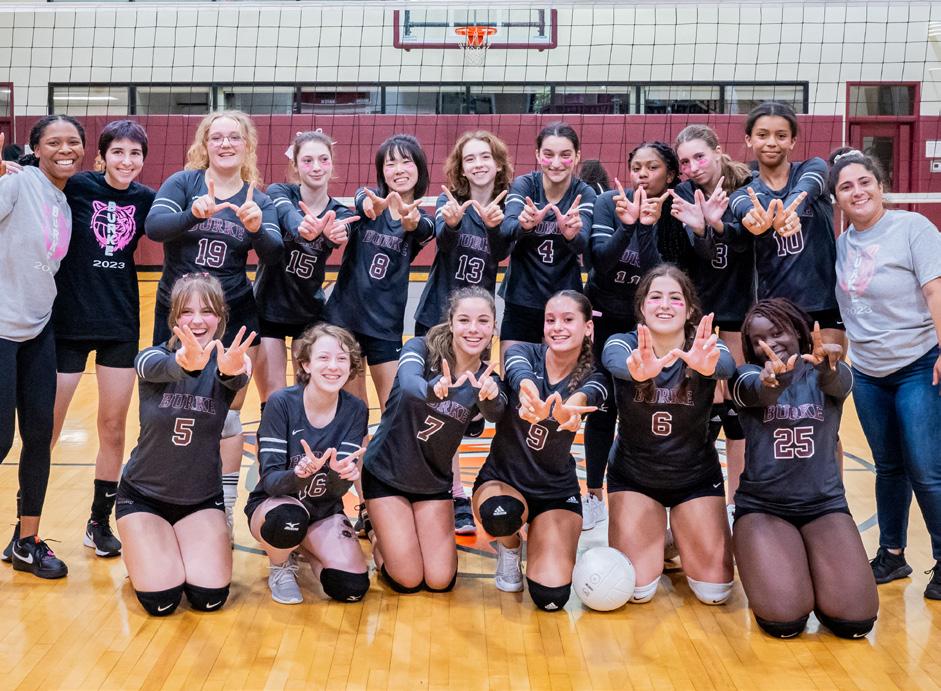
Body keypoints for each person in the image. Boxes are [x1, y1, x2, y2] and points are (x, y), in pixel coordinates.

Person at [146, 110, 282, 537]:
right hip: (179, 316)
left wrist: (257, 229)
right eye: (217, 137)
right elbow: (154, 227)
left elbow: (275, 253)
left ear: (247, 145)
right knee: (171, 407)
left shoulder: (256, 198)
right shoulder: (183, 183)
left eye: (234, 137)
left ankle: (220, 504)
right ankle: (167, 494)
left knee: (225, 416)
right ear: (204, 144)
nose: (225, 144)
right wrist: (191, 214)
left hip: (233, 314)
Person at [829, 147, 941, 600]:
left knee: (926, 468)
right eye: (846, 187)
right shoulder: (841, 245)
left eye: (864, 182)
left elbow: (935, 291)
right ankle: (892, 554)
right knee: (888, 466)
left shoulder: (912, 228)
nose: (857, 192)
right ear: (837, 198)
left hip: (919, 364)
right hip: (869, 373)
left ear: (880, 186)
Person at [730, 297, 879, 638]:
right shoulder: (747, 375)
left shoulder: (829, 372)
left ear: (798, 331)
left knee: (856, 621)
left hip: (824, 506)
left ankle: (817, 574)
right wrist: (774, 381)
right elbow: (756, 392)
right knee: (785, 620)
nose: (769, 343)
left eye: (777, 332)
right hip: (764, 509)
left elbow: (839, 383)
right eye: (758, 339)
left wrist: (828, 369)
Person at [116, 274, 253, 616]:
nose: (197, 320)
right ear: (174, 318)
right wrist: (184, 364)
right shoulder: (151, 358)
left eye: (207, 311)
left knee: (209, 598)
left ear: (220, 317)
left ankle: (166, 546)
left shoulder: (232, 361)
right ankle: (140, 546)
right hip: (144, 496)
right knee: (161, 602)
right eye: (187, 312)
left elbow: (234, 377)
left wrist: (231, 371)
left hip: (201, 500)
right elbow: (156, 368)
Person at [49, 120, 155, 558]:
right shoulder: (77, 187)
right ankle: (25, 523)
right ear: (103, 156)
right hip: (68, 323)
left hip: (119, 324)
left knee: (112, 427)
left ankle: (98, 522)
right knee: (47, 427)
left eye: (135, 154)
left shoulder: (147, 199)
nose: (126, 161)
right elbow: (35, 175)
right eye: (118, 152)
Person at [602, 264, 735, 605]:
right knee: (637, 590)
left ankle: (678, 532)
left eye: (675, 298)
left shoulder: (704, 347)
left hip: (695, 479)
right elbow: (614, 361)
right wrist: (639, 371)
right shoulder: (623, 343)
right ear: (641, 307)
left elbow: (726, 365)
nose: (664, 305)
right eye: (655, 297)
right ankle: (660, 535)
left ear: (689, 310)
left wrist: (707, 366)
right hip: (635, 478)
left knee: (715, 593)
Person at [363, 287, 504, 593]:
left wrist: (489, 397)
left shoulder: (487, 378)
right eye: (464, 320)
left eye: (483, 321)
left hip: (433, 483)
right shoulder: (420, 348)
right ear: (451, 322)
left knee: (440, 580)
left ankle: (400, 532)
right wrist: (433, 390)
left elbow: (496, 413)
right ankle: (375, 532)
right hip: (387, 475)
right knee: (408, 579)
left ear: (494, 328)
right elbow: (409, 384)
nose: (473, 329)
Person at [473, 291, 607, 611]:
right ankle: (510, 547)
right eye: (550, 320)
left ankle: (542, 534)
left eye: (568, 319)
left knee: (551, 597)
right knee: (501, 515)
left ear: (588, 327)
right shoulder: (524, 352)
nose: (557, 327)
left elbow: (589, 395)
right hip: (504, 480)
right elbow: (518, 373)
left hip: (555, 490)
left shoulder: (596, 375)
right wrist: (529, 394)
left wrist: (568, 410)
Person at [413, 130, 513, 535]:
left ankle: (465, 486)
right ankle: (453, 495)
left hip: (476, 327)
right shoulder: (449, 203)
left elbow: (503, 250)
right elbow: (443, 240)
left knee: (467, 411)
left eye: (484, 156)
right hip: (438, 320)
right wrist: (453, 225)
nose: (477, 164)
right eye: (469, 158)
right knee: (443, 408)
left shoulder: (508, 207)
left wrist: (495, 228)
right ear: (461, 168)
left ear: (498, 163)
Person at [0, 117, 84, 578]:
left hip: (37, 330)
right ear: (35, 148)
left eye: (73, 142)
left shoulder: (63, 201)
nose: (65, 149)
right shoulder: (17, 183)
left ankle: (26, 543)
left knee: (39, 438)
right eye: (54, 142)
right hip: (0, 328)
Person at [581, 142, 676, 529]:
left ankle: (650, 494)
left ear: (669, 175)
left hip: (650, 323)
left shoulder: (675, 209)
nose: (642, 174)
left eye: (652, 167)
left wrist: (648, 228)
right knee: (602, 407)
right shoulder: (609, 202)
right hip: (604, 316)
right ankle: (593, 495)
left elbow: (659, 277)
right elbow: (600, 262)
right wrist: (629, 225)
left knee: (647, 407)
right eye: (637, 166)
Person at [245, 324, 369, 605]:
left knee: (350, 586)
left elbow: (336, 490)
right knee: (287, 520)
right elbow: (271, 482)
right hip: (274, 505)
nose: (333, 366)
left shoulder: (355, 409)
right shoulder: (281, 403)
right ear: (306, 364)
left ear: (351, 366)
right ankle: (280, 565)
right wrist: (299, 474)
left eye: (342, 359)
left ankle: (302, 544)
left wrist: (341, 475)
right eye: (323, 358)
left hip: (322, 509)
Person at [671, 124, 755, 516]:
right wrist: (701, 229)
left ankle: (738, 502)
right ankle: (698, 500)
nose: (693, 167)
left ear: (718, 150)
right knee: (703, 406)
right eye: (685, 162)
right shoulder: (685, 194)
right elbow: (696, 254)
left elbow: (746, 243)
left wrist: (716, 225)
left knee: (737, 406)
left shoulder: (748, 187)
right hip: (700, 310)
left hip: (738, 307)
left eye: (699, 157)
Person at [324, 133, 434, 410]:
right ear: (382, 172)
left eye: (406, 162)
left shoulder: (424, 220)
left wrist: (412, 221)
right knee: (354, 410)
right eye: (390, 164)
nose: (398, 170)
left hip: (385, 325)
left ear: (419, 168)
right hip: (344, 320)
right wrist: (364, 202)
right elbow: (361, 199)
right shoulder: (368, 205)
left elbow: (422, 228)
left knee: (394, 409)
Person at [254, 130, 359, 413]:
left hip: (308, 312)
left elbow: (342, 231)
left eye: (323, 160)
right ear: (296, 165)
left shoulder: (338, 212)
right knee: (274, 396)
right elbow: (286, 212)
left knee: (307, 392)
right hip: (269, 308)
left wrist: (337, 234)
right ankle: (273, 442)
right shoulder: (279, 192)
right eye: (308, 160)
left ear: (331, 165)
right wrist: (302, 226)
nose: (316, 167)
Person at [729, 101, 842, 346]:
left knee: (827, 370)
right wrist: (756, 223)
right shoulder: (743, 194)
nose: (771, 142)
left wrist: (790, 213)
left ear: (792, 141)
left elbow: (805, 189)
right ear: (749, 139)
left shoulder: (813, 168)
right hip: (774, 310)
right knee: (780, 371)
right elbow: (744, 208)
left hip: (823, 305)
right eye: (762, 135)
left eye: (781, 136)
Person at [499, 123, 596, 357]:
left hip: (564, 302)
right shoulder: (525, 185)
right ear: (537, 155)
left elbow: (583, 242)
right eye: (548, 154)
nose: (556, 163)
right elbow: (506, 229)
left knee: (562, 375)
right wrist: (524, 225)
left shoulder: (584, 193)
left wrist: (571, 235)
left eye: (565, 155)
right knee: (513, 372)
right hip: (521, 299)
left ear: (577, 156)